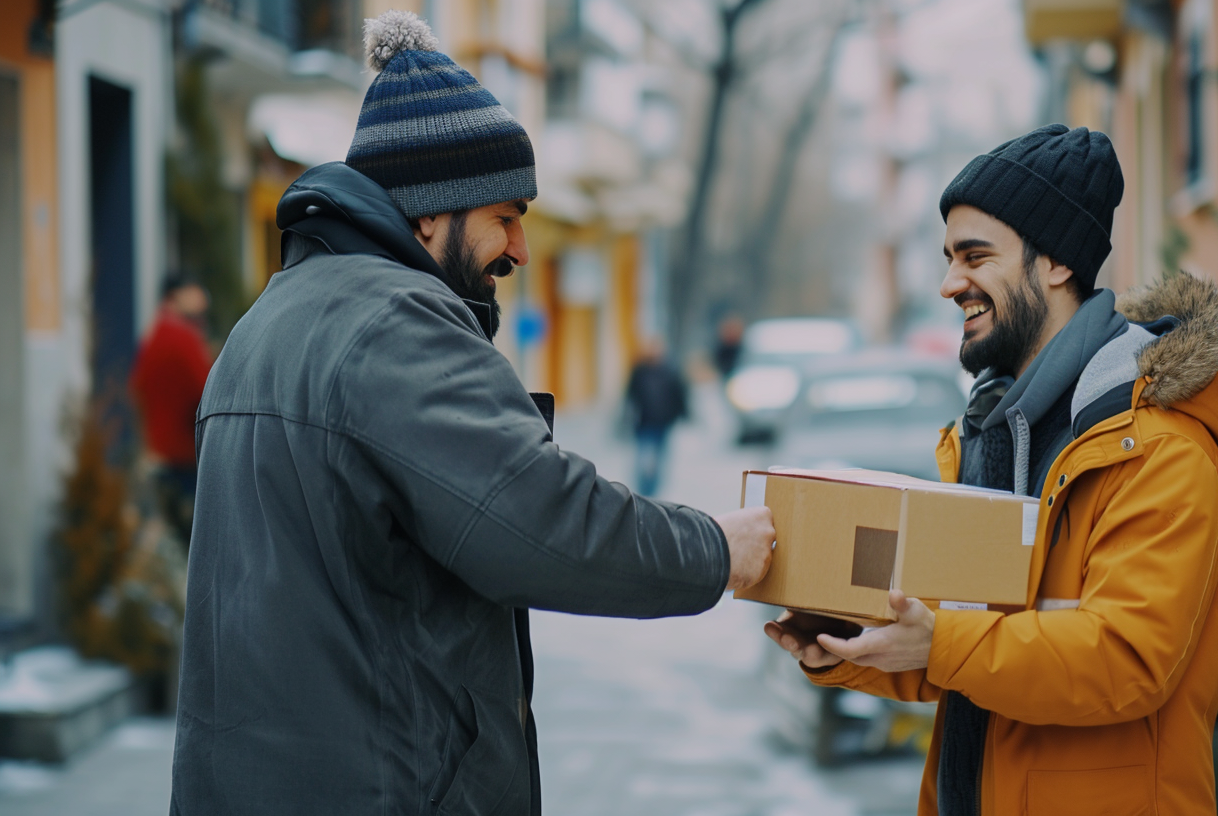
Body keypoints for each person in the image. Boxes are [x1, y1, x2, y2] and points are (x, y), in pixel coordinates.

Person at [169, 12, 774, 816]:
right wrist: (714, 550)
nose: (521, 249)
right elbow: (546, 521)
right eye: (505, 215)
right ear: (428, 214)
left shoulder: (265, 325)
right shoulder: (398, 326)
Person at [766, 124, 1218, 816]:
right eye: (949, 257)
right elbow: (968, 657)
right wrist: (848, 644)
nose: (949, 283)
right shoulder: (996, 435)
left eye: (974, 256)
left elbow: (1127, 660)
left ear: (1054, 263)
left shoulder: (1159, 450)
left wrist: (941, 640)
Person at [130, 272, 212, 553]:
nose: (203, 299)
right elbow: (207, 392)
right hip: (185, 458)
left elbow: (137, 386)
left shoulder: (154, 333)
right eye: (196, 289)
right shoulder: (183, 337)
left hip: (160, 454)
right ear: (178, 295)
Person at [624, 339, 688, 496]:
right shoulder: (640, 371)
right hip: (643, 422)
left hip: (664, 423)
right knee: (642, 458)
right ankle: (642, 489)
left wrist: (682, 413)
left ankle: (653, 490)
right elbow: (630, 395)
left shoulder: (670, 370)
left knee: (660, 459)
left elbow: (679, 394)